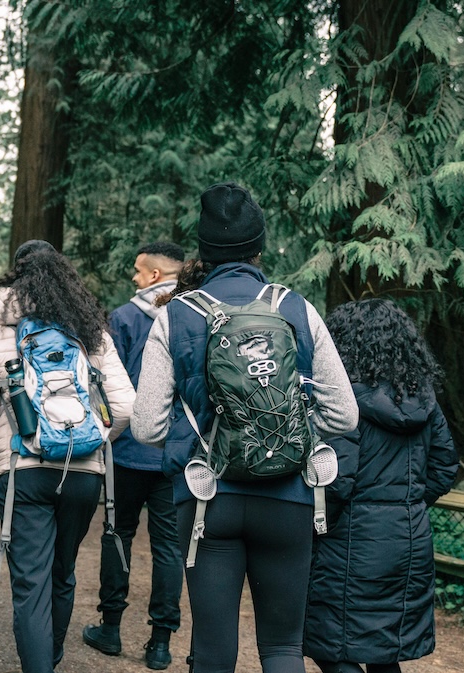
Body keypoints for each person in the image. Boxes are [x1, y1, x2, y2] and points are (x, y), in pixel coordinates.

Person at [130, 181, 359, 673]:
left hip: (208, 499)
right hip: (290, 496)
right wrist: (290, 424)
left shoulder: (175, 317)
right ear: (258, 246)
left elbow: (146, 427)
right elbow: (345, 415)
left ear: (204, 252)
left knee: (213, 651)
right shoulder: (297, 308)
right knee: (281, 648)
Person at [0, 240, 136, 673]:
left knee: (30, 583)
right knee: (62, 572)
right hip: (83, 472)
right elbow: (127, 408)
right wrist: (97, 439)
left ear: (13, 278)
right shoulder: (90, 332)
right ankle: (50, 659)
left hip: (24, 473)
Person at [303, 298, 459, 673]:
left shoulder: (343, 403)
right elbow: (443, 468)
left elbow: (337, 481)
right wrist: (405, 504)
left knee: (331, 645)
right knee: (384, 648)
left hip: (347, 541)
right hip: (408, 539)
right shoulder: (424, 401)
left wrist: (320, 523)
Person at [82, 241, 185, 670]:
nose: (134, 279)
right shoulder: (192, 317)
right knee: (168, 549)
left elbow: (103, 387)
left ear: (156, 276)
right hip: (173, 454)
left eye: (139, 272)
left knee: (117, 535)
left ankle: (110, 629)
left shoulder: (122, 319)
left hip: (125, 453)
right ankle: (160, 643)